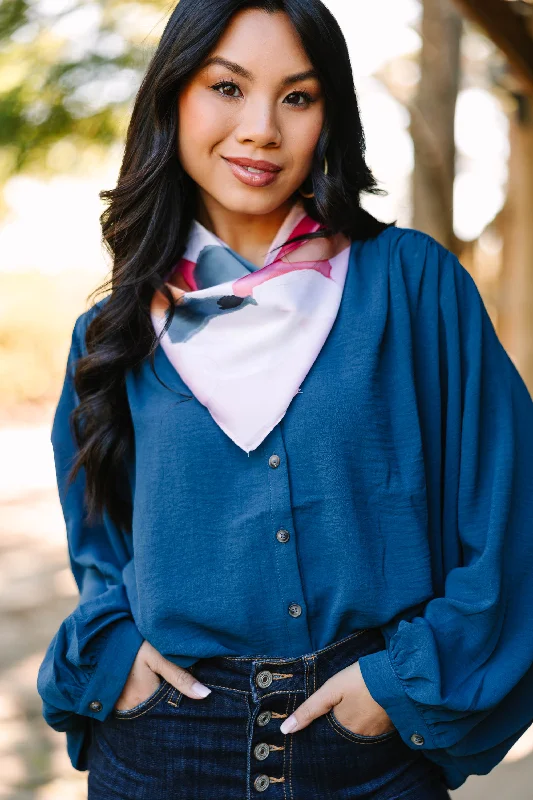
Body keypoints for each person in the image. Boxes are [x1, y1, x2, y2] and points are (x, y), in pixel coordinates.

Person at [36, 1, 533, 797]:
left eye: (296, 96)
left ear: (329, 116)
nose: (262, 127)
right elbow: (103, 550)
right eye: (226, 88)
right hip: (162, 749)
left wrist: (398, 688)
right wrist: (116, 654)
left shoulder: (410, 286)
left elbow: (512, 513)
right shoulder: (115, 328)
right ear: (172, 99)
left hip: (364, 750)